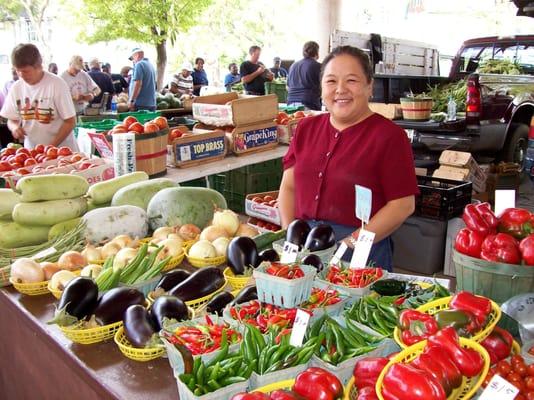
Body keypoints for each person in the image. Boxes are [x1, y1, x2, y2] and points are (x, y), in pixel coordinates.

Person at [278, 46, 419, 271]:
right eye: (331, 81)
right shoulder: (306, 128)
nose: (340, 90)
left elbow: (402, 205)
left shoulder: (390, 137)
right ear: (321, 88)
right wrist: (290, 236)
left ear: (369, 86)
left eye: (351, 80)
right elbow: (288, 187)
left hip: (361, 249)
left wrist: (349, 243)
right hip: (303, 246)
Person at [0, 43, 77, 150]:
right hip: (32, 151)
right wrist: (15, 128)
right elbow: (11, 119)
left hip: (61, 150)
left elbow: (70, 121)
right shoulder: (16, 88)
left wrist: (50, 148)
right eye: (18, 71)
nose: (21, 75)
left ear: (39, 66)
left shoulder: (56, 84)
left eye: (26, 71)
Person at [287, 41, 322, 111]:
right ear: (317, 52)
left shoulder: (293, 65)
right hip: (308, 103)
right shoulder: (317, 66)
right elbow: (325, 86)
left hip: (291, 104)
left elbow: (287, 87)